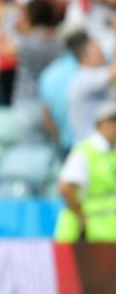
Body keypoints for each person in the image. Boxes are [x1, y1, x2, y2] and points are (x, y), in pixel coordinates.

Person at [54, 100, 116, 242]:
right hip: (86, 233)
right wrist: (82, 219)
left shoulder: (112, 151)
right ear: (98, 125)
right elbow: (66, 187)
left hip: (108, 233)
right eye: (110, 123)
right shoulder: (85, 151)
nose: (114, 128)